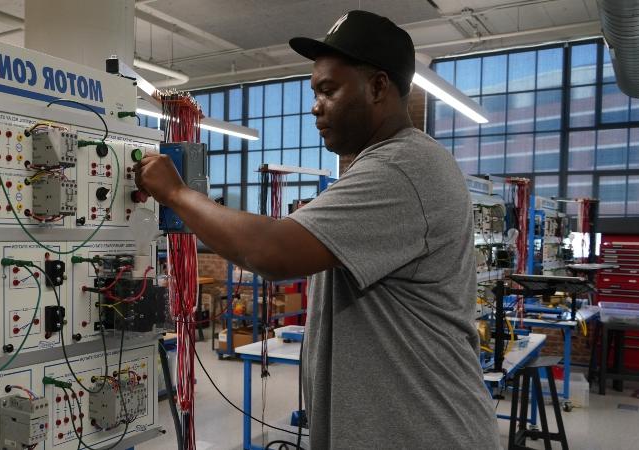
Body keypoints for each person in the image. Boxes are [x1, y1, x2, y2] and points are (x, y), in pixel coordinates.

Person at [134, 10, 500, 450]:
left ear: (379, 86)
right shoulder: (385, 165)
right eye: (314, 91)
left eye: (328, 90)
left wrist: (176, 194)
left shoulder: (403, 167)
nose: (314, 105)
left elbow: (271, 251)